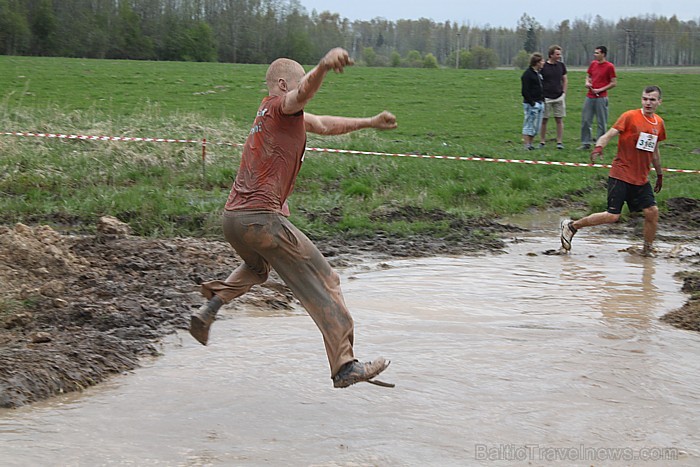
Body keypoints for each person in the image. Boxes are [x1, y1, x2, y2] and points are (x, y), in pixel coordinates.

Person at [190, 48, 398, 389]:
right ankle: (345, 364)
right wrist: (324, 67)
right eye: (298, 83)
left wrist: (370, 122)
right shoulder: (280, 105)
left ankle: (212, 305)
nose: (303, 91)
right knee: (326, 280)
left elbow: (324, 125)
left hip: (234, 220)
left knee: (258, 270)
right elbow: (302, 94)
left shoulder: (275, 115)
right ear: (283, 83)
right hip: (261, 220)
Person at [561, 86, 666, 257]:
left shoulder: (659, 123)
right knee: (612, 216)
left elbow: (655, 151)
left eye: (652, 99)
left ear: (659, 102)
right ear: (641, 100)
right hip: (621, 174)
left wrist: (660, 174)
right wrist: (598, 147)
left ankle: (647, 250)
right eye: (645, 98)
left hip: (641, 178)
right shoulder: (630, 116)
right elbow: (608, 134)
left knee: (652, 212)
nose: (648, 102)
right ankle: (572, 226)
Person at [579, 46, 617, 150]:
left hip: (601, 97)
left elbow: (613, 83)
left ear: (603, 54)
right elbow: (589, 75)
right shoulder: (593, 64)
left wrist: (601, 89)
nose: (595, 55)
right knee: (586, 120)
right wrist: (587, 82)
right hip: (590, 96)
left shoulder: (609, 66)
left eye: (597, 53)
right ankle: (585, 143)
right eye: (594, 53)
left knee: (601, 122)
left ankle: (600, 144)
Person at [539, 45, 568, 150]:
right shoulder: (543, 67)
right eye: (557, 54)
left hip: (559, 97)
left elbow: (565, 79)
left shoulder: (561, 66)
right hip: (546, 98)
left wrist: (564, 93)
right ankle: (542, 141)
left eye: (560, 54)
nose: (559, 56)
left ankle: (559, 142)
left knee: (559, 120)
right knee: (544, 120)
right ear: (551, 55)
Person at [521, 52, 545, 150]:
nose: (543, 63)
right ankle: (527, 145)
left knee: (536, 126)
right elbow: (524, 91)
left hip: (540, 102)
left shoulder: (538, 74)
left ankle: (531, 144)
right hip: (531, 104)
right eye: (542, 61)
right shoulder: (527, 74)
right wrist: (532, 103)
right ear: (537, 62)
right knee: (529, 124)